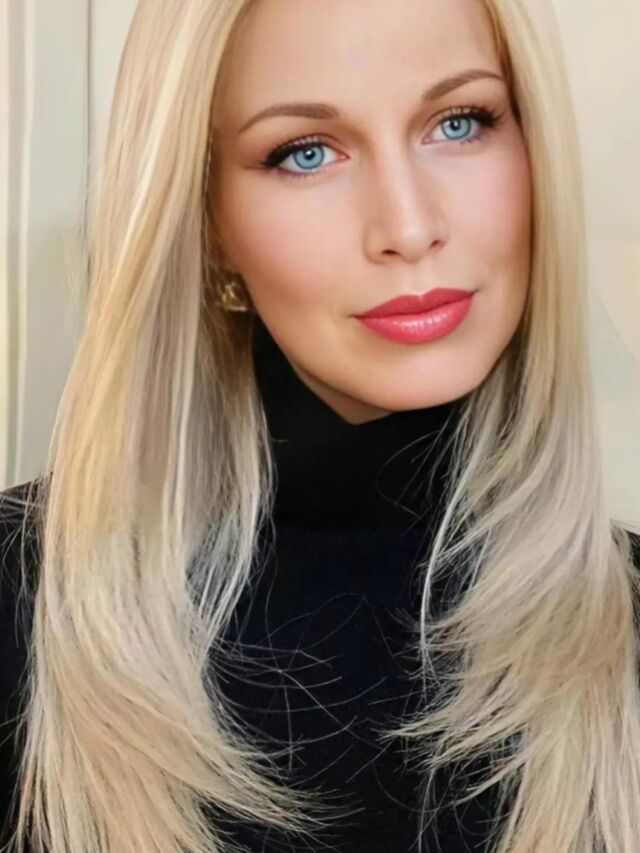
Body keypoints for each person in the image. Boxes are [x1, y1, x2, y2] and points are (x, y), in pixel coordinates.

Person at [1, 0, 639, 851]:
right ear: (208, 223)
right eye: (305, 152)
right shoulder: (24, 608)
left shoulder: (625, 628)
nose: (409, 227)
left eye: (460, 122)